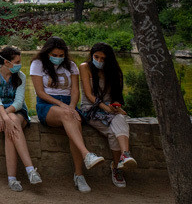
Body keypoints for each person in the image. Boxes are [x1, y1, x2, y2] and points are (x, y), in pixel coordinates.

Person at [29, 37, 105, 192]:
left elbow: (75, 91)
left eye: (61, 55)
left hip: (68, 105)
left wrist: (71, 106)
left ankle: (79, 175)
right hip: (47, 105)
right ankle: (86, 154)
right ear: (47, 53)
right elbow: (40, 92)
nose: (58, 58)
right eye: (54, 55)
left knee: (75, 122)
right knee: (68, 115)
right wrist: (63, 105)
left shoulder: (71, 66)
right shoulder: (38, 64)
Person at [0, 46, 40, 191]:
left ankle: (12, 179)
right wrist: (3, 116)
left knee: (11, 122)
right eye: (17, 62)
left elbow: (19, 102)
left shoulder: (21, 76)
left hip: (16, 110)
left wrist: (6, 116)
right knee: (11, 121)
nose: (20, 65)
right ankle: (30, 170)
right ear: (7, 62)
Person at [79, 43, 137, 188]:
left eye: (103, 58)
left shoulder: (114, 72)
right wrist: (105, 108)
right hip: (91, 109)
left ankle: (124, 156)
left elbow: (116, 97)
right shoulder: (85, 67)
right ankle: (118, 165)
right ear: (91, 55)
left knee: (119, 120)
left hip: (110, 110)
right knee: (115, 129)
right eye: (96, 57)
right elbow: (89, 95)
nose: (99, 61)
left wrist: (116, 107)